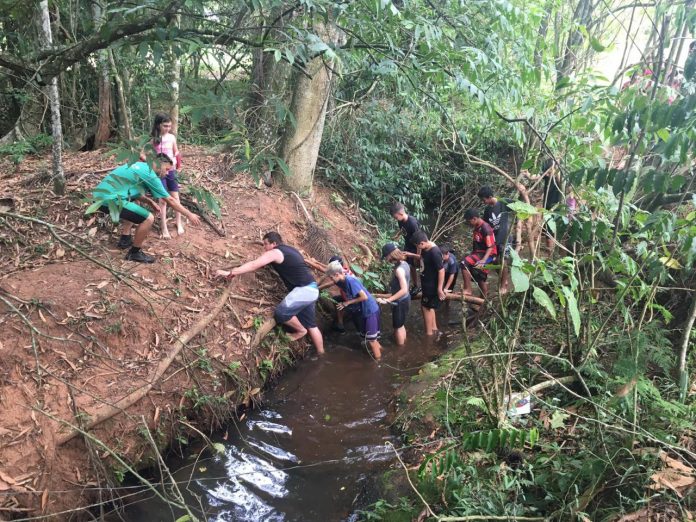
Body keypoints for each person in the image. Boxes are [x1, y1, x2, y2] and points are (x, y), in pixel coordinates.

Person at [215, 232, 324, 354]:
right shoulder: (291, 250)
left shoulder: (275, 252)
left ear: (274, 243)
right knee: (312, 325)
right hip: (312, 289)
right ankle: (321, 353)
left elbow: (254, 264)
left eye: (265, 244)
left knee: (281, 313)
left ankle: (301, 331)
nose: (264, 247)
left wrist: (231, 272)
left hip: (303, 290)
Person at [89, 154, 201, 263]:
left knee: (132, 203)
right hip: (108, 200)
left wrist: (150, 202)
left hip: (99, 197)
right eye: (167, 169)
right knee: (148, 218)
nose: (167, 173)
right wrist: (189, 214)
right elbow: (170, 200)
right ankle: (134, 253)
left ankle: (125, 239)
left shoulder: (140, 166)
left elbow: (131, 191)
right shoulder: (150, 174)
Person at [326, 261, 382, 360]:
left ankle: (378, 362)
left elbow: (364, 297)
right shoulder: (340, 280)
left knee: (372, 341)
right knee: (371, 338)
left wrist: (347, 303)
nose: (331, 280)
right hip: (364, 311)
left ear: (337, 274)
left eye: (331, 277)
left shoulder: (350, 280)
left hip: (370, 310)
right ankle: (381, 351)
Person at [147, 113, 183, 239]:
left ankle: (179, 222)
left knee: (175, 197)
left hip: (171, 170)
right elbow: (147, 155)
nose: (168, 128)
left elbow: (176, 151)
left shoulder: (172, 137)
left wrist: (177, 162)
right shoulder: (153, 140)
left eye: (169, 126)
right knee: (163, 200)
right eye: (165, 126)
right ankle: (164, 227)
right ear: (158, 125)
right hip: (159, 172)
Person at [477, 186, 513, 293]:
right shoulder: (487, 209)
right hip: (494, 240)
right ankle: (504, 279)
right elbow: (485, 224)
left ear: (490, 197)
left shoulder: (504, 202)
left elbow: (518, 205)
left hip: (505, 238)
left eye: (484, 200)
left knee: (503, 261)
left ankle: (503, 286)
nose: (483, 202)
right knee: (495, 261)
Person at [377, 243, 411, 346]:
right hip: (405, 299)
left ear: (390, 255)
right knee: (401, 324)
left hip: (400, 302)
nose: (386, 259)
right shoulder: (404, 263)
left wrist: (388, 300)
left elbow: (404, 289)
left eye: (386, 257)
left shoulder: (399, 270)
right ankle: (404, 344)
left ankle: (400, 350)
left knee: (397, 327)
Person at [412, 231, 445, 336]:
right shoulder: (425, 248)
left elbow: (441, 270)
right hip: (427, 283)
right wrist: (414, 253)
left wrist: (439, 289)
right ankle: (434, 329)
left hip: (432, 286)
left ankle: (429, 334)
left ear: (422, 243)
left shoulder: (434, 252)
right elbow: (420, 261)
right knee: (429, 307)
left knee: (425, 307)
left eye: (417, 246)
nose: (417, 248)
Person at [461, 209, 497, 298]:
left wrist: (483, 260)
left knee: (464, 263)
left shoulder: (485, 228)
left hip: (488, 254)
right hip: (480, 253)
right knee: (479, 275)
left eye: (469, 221)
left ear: (474, 219)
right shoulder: (477, 227)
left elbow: (490, 247)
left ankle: (468, 289)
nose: (468, 223)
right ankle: (483, 298)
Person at [389, 202, 421, 294]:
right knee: (405, 263)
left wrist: (417, 256)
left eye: (395, 217)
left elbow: (419, 241)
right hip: (408, 244)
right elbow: (402, 229)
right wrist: (397, 236)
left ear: (401, 213)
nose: (395, 219)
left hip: (416, 246)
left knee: (414, 265)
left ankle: (416, 286)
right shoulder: (400, 220)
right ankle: (405, 283)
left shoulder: (412, 223)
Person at [318, 255, 353, 333]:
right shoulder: (343, 270)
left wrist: (318, 288)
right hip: (349, 296)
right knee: (337, 300)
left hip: (351, 299)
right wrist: (315, 262)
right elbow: (327, 268)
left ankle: (341, 325)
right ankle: (340, 323)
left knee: (339, 302)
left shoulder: (342, 277)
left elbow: (329, 283)